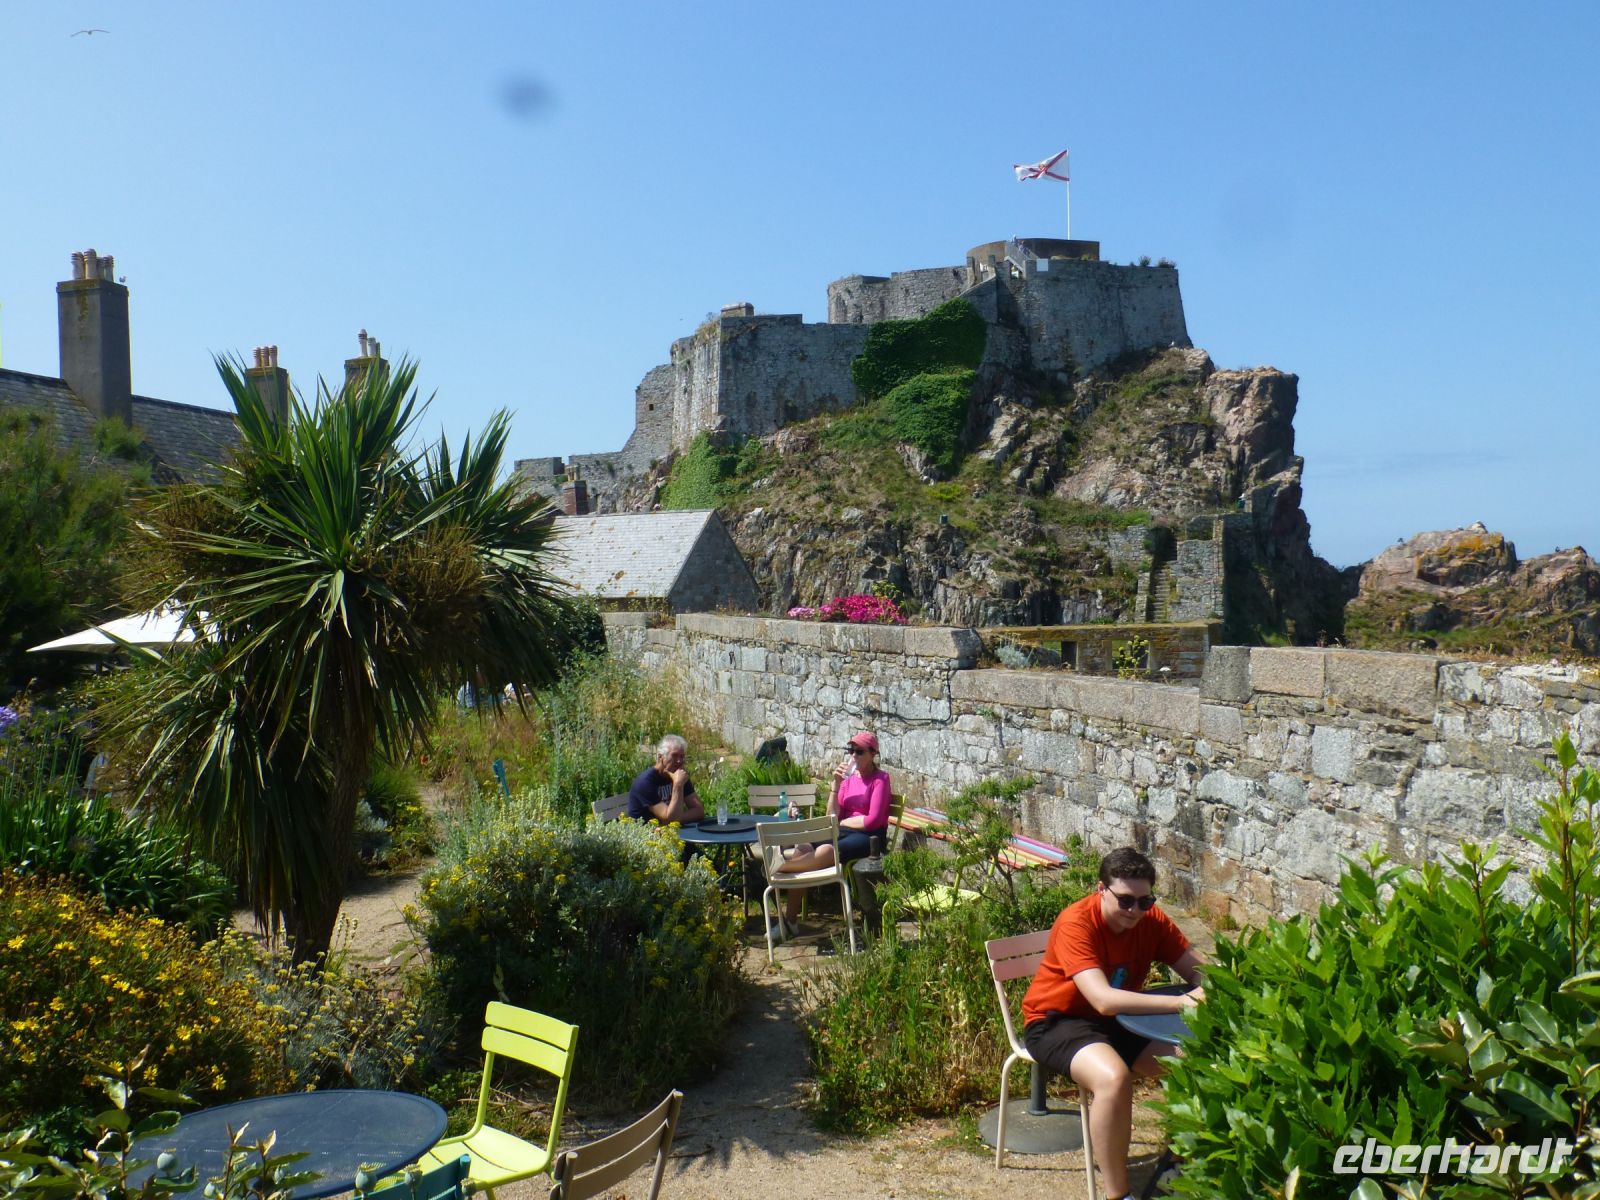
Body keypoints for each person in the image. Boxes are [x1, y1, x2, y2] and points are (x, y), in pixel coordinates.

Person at [1020, 847, 1205, 1200]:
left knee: (1196, 1056)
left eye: (1144, 901)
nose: (1134, 911)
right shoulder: (1077, 922)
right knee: (1114, 1078)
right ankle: (1118, 1195)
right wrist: (1183, 1001)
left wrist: (1210, 986)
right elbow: (1102, 999)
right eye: (1124, 900)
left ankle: (1180, 1160)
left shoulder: (1152, 922)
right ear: (1100, 889)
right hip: (1056, 1022)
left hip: (1119, 1023)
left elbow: (1200, 972)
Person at [769, 731, 890, 940]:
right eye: (851, 750)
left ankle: (780, 868)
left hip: (868, 838)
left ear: (873, 754)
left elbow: (872, 820)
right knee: (805, 847)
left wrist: (842, 822)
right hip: (844, 830)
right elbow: (830, 817)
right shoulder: (849, 780)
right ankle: (790, 922)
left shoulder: (880, 779)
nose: (854, 756)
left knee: (827, 849)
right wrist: (835, 786)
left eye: (859, 752)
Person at [626, 734, 705, 825]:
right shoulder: (645, 782)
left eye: (682, 756)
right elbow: (668, 818)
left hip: (668, 831)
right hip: (647, 835)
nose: (679, 761)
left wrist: (676, 819)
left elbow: (699, 811)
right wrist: (678, 785)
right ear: (660, 757)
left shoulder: (679, 776)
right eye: (674, 756)